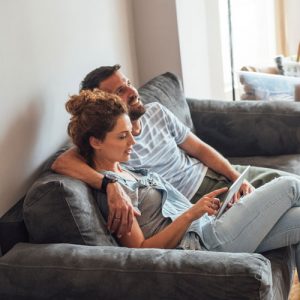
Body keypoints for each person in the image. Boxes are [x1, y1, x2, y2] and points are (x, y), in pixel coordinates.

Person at [65, 89, 300, 279]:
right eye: (122, 136)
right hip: (205, 246)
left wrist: (209, 211)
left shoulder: (124, 172)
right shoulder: (116, 198)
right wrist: (192, 214)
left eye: (130, 133)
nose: (133, 142)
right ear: (96, 142)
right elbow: (142, 252)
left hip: (209, 228)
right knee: (290, 184)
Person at [52, 64, 293, 238]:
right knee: (289, 197)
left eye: (128, 83)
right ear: (105, 104)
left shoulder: (155, 111)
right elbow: (62, 162)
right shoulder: (111, 145)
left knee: (292, 185)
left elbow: (199, 148)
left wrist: (234, 178)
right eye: (120, 92)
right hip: (193, 200)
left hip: (214, 177)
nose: (132, 92)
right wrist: (109, 184)